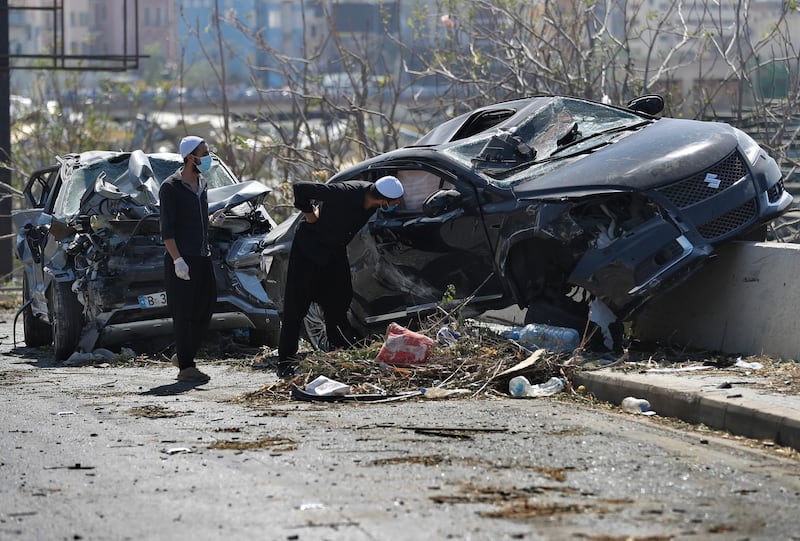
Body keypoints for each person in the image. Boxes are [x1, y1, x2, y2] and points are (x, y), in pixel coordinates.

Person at [276, 175, 404, 378]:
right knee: (296, 306)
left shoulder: (371, 204)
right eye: (393, 204)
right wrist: (310, 214)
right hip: (308, 251)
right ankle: (285, 361)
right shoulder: (346, 192)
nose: (394, 207)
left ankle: (341, 348)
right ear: (383, 199)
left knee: (339, 300)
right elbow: (301, 187)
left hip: (334, 252)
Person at [158, 135, 217, 383]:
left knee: (206, 306)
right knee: (184, 313)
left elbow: (199, 220)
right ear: (190, 156)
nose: (207, 157)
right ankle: (186, 367)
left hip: (202, 255)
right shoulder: (170, 187)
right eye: (203, 153)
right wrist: (177, 260)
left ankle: (183, 354)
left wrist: (214, 222)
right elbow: (167, 230)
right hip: (182, 259)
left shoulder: (201, 183)